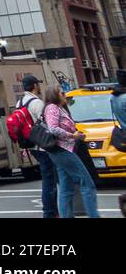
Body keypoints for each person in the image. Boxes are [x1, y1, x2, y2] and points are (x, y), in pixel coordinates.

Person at [41, 86, 99, 218]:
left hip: (63, 149)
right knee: (87, 183)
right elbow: (53, 129)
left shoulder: (59, 108)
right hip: (62, 150)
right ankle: (94, 215)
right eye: (62, 93)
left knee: (66, 188)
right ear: (54, 95)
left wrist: (76, 134)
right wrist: (73, 136)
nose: (64, 95)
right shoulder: (52, 108)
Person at [17, 74, 57, 220]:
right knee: (49, 180)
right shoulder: (36, 102)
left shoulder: (20, 102)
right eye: (37, 84)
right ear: (34, 85)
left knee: (47, 178)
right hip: (43, 145)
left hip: (31, 145)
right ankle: (50, 212)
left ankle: (50, 211)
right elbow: (47, 123)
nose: (39, 87)